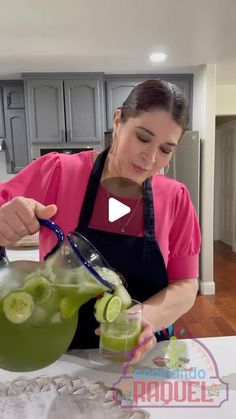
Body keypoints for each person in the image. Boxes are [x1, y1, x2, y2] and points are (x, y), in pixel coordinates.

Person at [0, 80, 200, 363]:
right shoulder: (59, 173)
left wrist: (148, 317)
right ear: (118, 120)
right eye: (142, 137)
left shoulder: (175, 199)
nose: (151, 158)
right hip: (62, 355)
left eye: (166, 149)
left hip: (143, 359)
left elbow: (186, 284)